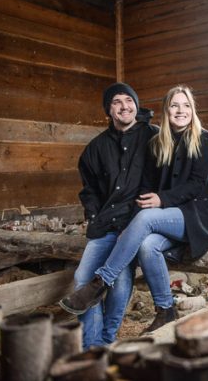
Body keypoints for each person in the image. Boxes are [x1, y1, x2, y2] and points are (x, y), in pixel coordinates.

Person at [60, 84, 208, 332]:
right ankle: (165, 309)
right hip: (169, 216)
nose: (180, 110)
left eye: (186, 105)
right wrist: (130, 230)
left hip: (200, 215)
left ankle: (100, 282)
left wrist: (161, 200)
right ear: (166, 110)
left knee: (147, 218)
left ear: (193, 110)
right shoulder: (158, 142)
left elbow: (195, 185)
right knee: (148, 246)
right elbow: (147, 186)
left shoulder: (204, 139)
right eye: (174, 105)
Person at [62, 83, 158, 348]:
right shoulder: (95, 148)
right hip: (105, 224)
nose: (124, 106)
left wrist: (141, 219)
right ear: (109, 110)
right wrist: (93, 216)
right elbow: (89, 190)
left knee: (120, 279)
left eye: (129, 100)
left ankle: (107, 338)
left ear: (136, 105)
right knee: (83, 278)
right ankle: (93, 345)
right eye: (116, 102)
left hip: (135, 224)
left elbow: (160, 181)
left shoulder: (154, 137)